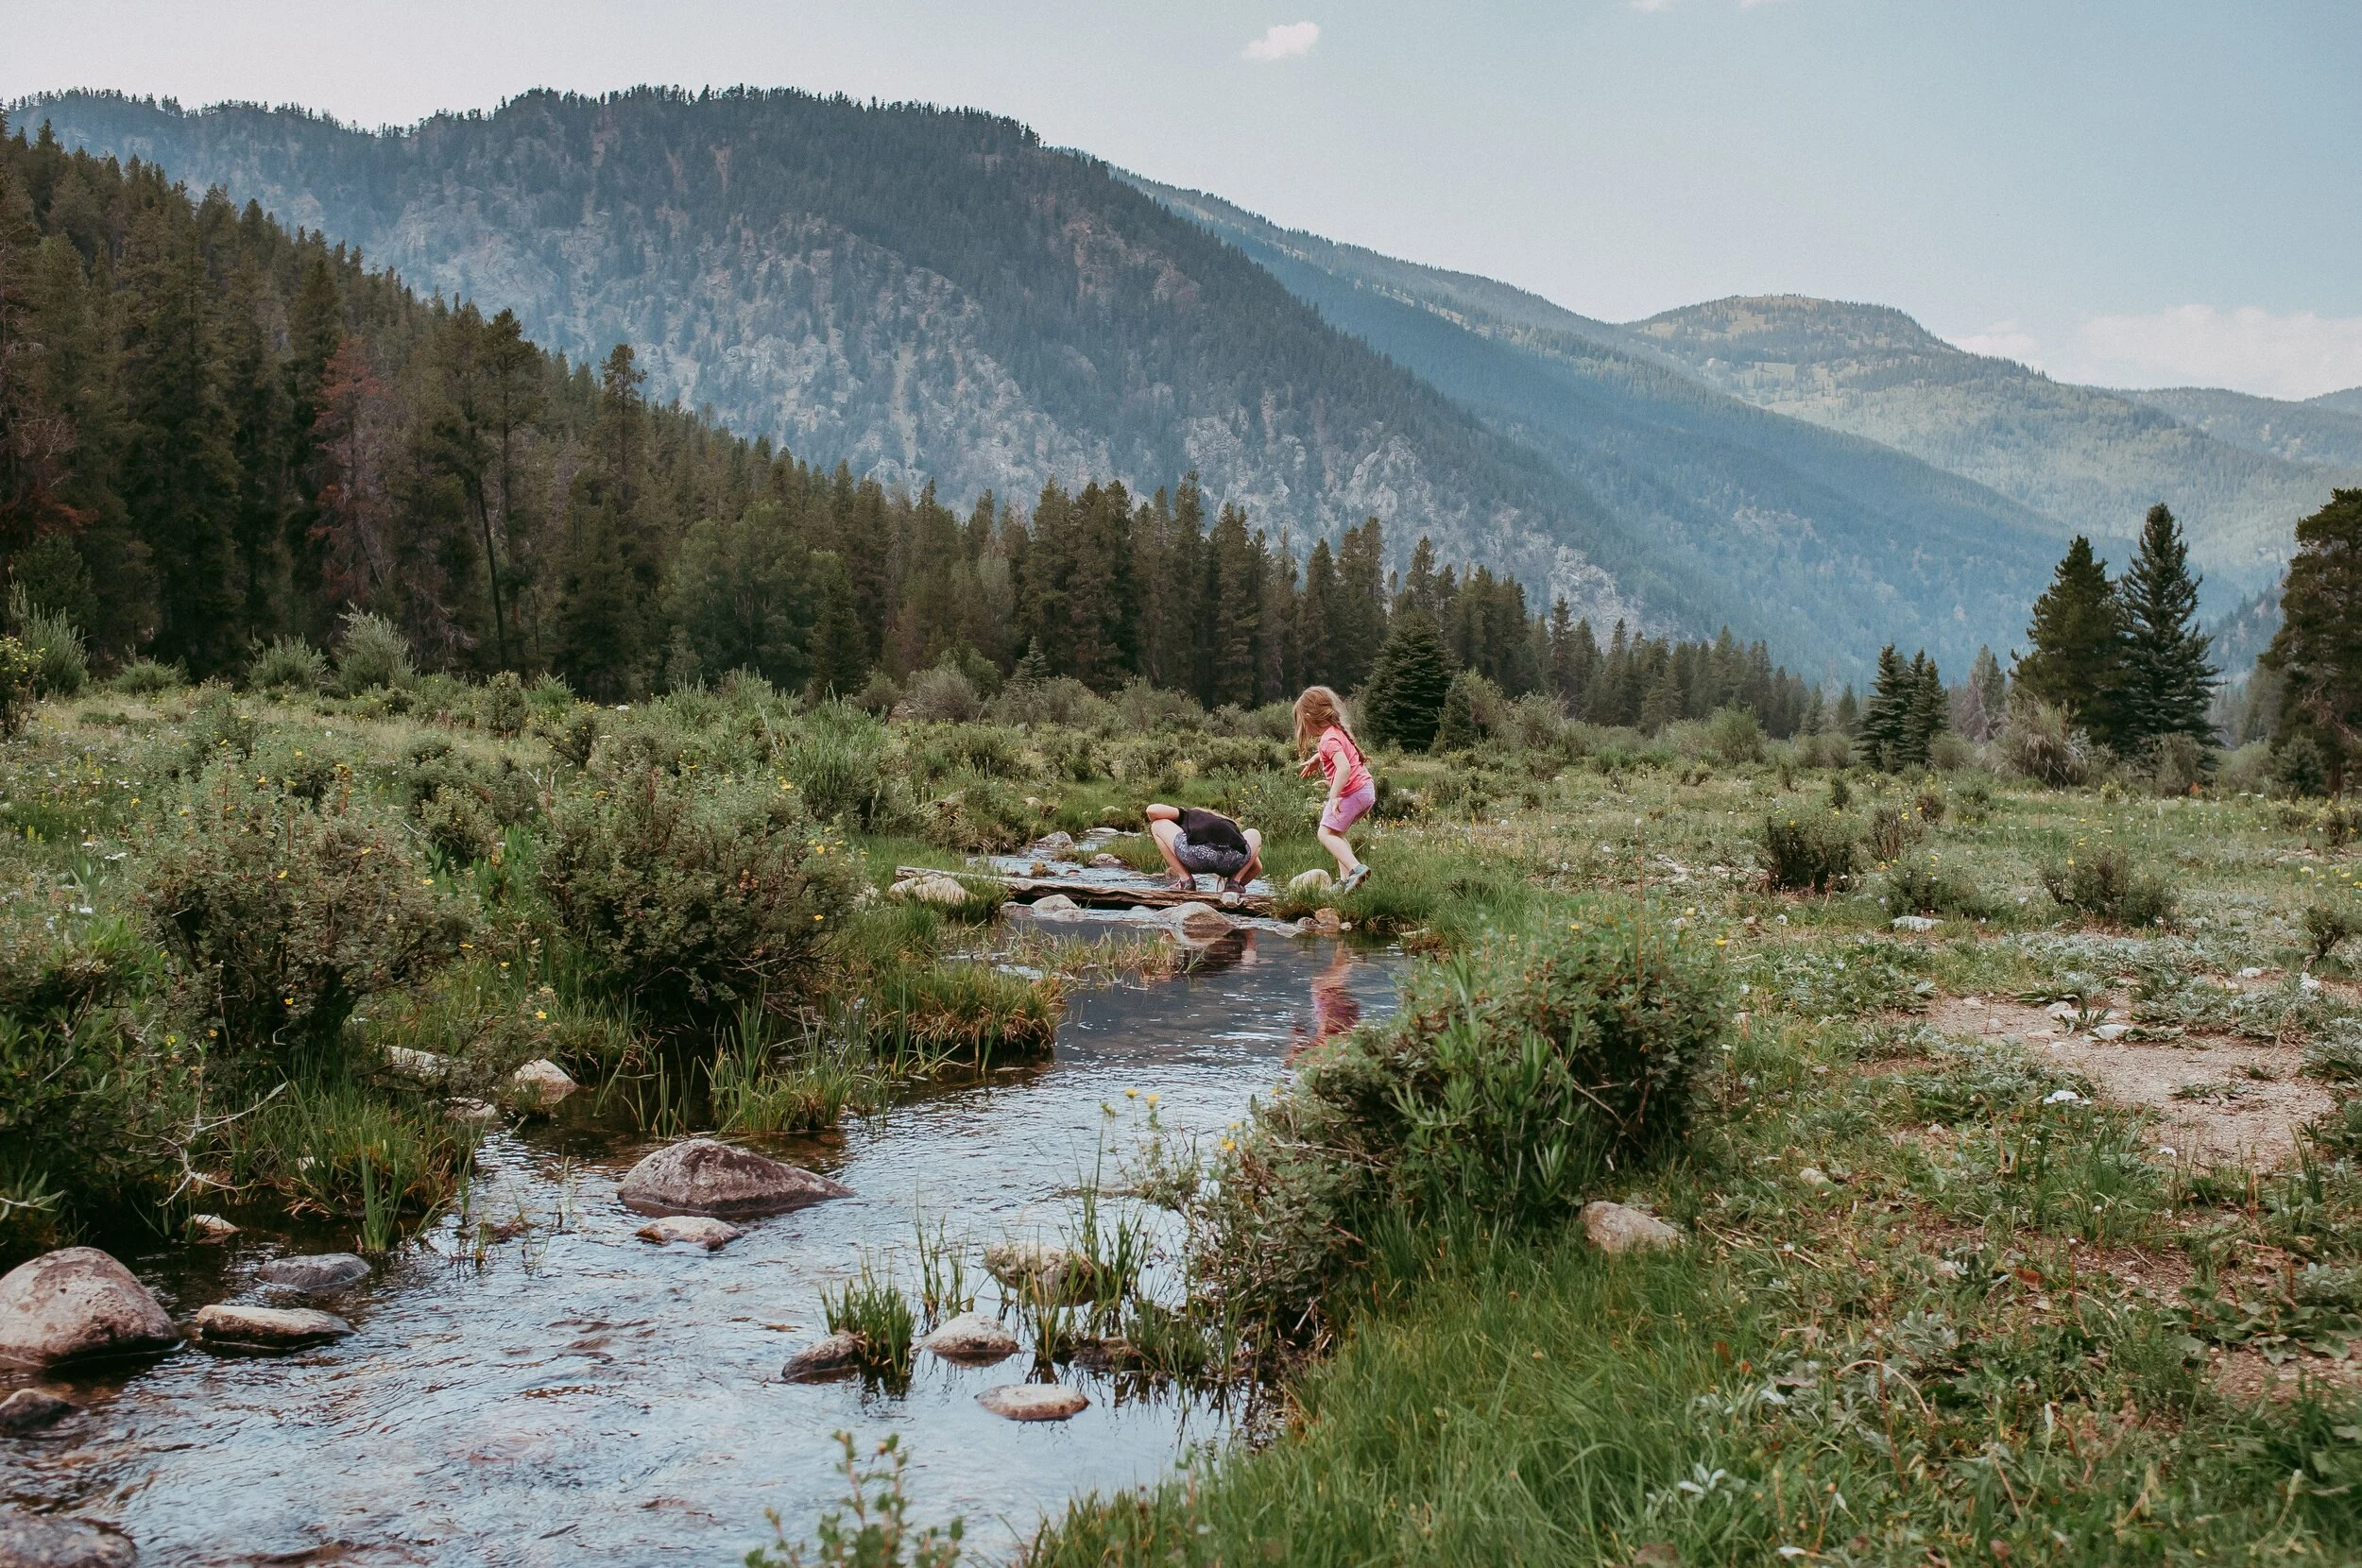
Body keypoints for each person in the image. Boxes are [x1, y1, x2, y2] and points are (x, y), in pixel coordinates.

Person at [1293, 685, 1373, 893]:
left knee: (1325, 833)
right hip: (1365, 790)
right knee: (1336, 833)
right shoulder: (1334, 732)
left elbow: (1344, 767)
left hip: (1352, 792)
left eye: (1302, 721)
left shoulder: (1328, 739)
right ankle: (1346, 881)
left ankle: (1357, 869)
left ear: (1310, 717)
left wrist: (1334, 796)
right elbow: (1334, 752)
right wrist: (1315, 759)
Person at [1144, 802, 1262, 904]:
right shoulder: (1232, 829)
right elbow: (1257, 867)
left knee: (1157, 825)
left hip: (1197, 855)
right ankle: (1233, 885)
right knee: (1254, 833)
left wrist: (1179, 812)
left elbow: (1152, 810)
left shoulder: (1191, 815)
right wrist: (1238, 880)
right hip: (1232, 858)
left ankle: (1186, 881)